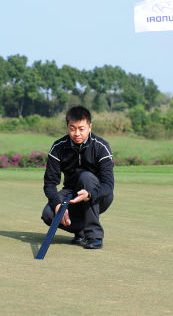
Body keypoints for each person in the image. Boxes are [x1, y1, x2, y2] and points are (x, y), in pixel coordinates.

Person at [41, 106, 114, 249]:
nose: (76, 133)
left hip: (98, 195)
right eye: (72, 128)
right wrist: (58, 204)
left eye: (81, 129)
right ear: (67, 127)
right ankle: (81, 231)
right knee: (48, 214)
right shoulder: (58, 147)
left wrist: (89, 195)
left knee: (86, 177)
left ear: (90, 127)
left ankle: (94, 236)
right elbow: (50, 183)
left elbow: (108, 185)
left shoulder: (101, 147)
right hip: (71, 193)